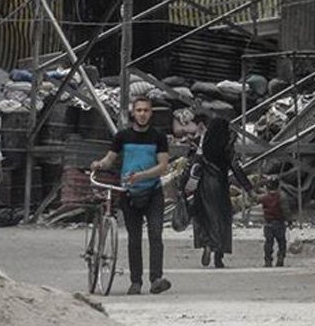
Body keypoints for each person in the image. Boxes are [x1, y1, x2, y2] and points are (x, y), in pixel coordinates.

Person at [90, 96, 171, 296]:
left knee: (155, 235)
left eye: (146, 110)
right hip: (128, 194)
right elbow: (110, 159)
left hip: (153, 192)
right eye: (139, 110)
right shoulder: (122, 136)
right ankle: (136, 282)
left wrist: (141, 176)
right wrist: (99, 164)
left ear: (151, 113)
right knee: (134, 239)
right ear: (133, 113)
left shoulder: (158, 137)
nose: (142, 114)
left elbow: (163, 166)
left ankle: (156, 279)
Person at [187, 114, 254, 268]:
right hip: (219, 185)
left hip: (202, 186)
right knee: (221, 219)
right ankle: (219, 256)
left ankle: (207, 244)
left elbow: (191, 161)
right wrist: (248, 188)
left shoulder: (203, 144)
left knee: (205, 217)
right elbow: (236, 168)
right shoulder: (225, 147)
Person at [258, 176, 292, 267]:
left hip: (268, 223)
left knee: (268, 242)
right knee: (282, 242)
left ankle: (268, 260)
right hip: (279, 223)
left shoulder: (264, 197)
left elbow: (255, 198)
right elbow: (286, 210)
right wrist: (289, 221)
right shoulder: (282, 196)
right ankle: (280, 258)